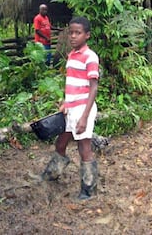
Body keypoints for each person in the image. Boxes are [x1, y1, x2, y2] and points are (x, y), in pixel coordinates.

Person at [39, 16, 100, 200]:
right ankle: (51, 174)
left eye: (78, 33)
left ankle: (88, 189)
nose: (73, 36)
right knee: (61, 142)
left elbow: (93, 88)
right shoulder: (72, 55)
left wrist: (84, 117)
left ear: (87, 35)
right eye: (71, 32)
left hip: (83, 109)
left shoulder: (90, 57)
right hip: (71, 108)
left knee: (84, 147)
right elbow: (72, 83)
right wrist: (66, 102)